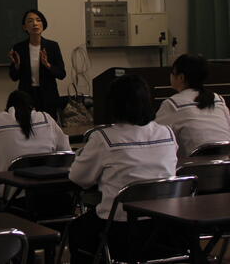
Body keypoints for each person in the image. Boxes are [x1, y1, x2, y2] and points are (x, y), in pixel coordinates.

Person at [67, 75, 178, 264]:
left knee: (77, 229)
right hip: (165, 228)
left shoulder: (104, 138)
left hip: (120, 231)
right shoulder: (167, 133)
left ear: (113, 105)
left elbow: (78, 178)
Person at [0, 90, 71, 172]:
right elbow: (66, 150)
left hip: (12, 192)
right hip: (48, 189)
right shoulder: (46, 119)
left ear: (7, 107)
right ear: (32, 107)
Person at [155, 53, 230, 157]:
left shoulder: (173, 104)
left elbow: (155, 136)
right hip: (225, 161)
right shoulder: (217, 98)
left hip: (194, 164)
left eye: (172, 73)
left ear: (181, 77)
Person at [9, 9, 66, 119]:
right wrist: (17, 66)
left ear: (43, 25)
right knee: (27, 125)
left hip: (48, 95)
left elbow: (62, 74)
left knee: (48, 125)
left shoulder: (52, 46)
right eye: (30, 21)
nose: (35, 23)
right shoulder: (19, 48)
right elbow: (14, 77)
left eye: (38, 20)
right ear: (24, 27)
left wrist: (47, 64)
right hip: (26, 96)